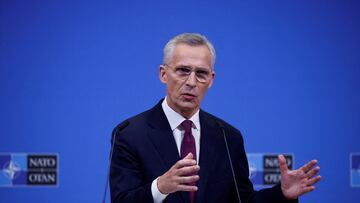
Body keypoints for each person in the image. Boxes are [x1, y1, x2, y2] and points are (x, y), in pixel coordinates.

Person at [109, 33, 321, 203]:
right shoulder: (129, 134)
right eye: (183, 70)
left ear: (211, 80)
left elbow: (242, 200)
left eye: (201, 73)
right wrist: (160, 187)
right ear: (163, 74)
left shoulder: (228, 137)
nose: (191, 81)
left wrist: (282, 193)